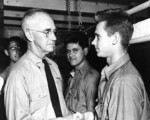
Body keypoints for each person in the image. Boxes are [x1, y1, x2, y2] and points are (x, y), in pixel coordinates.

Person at [4, 8, 87, 120]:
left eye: (54, 32)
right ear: (30, 35)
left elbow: (60, 108)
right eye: (47, 32)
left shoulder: (53, 66)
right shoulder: (18, 75)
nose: (54, 38)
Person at [92, 9, 150, 120]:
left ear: (115, 39)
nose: (93, 42)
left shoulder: (123, 82)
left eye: (98, 37)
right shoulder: (112, 75)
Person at [65, 32, 100, 113]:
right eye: (68, 51)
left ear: (85, 51)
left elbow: (91, 114)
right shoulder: (72, 75)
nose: (70, 55)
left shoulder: (91, 77)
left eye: (75, 50)